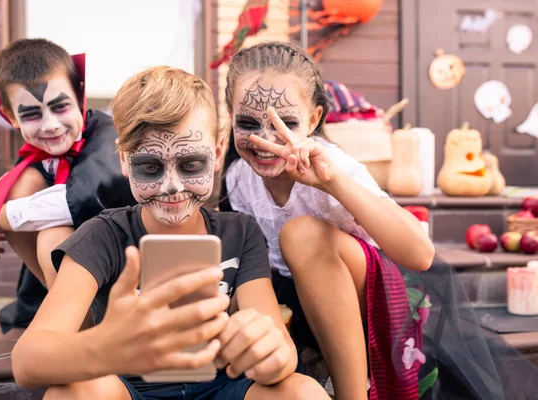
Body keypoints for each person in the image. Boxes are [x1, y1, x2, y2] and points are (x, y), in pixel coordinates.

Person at [221, 41, 538, 400]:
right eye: (248, 123)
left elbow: (421, 254)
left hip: (377, 296)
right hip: (301, 298)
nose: (266, 141)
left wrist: (332, 183)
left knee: (301, 234)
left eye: (286, 124)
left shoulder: (333, 166)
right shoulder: (236, 177)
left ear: (314, 120)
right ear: (229, 114)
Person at [11, 66, 329, 400]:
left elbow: (280, 356)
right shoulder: (102, 237)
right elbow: (28, 361)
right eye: (150, 167)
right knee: (73, 394)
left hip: (223, 387)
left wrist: (267, 353)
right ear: (123, 159)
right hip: (129, 390)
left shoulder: (240, 232)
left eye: (191, 164)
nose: (172, 187)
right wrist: (105, 349)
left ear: (217, 153)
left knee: (301, 392)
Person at [0, 39, 135, 319]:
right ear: (11, 117)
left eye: (60, 107)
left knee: (53, 240)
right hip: (63, 271)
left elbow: (85, 197)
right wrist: (3, 209)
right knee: (21, 183)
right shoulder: (35, 159)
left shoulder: (106, 135)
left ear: (79, 94)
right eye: (31, 114)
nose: (50, 125)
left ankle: (75, 322)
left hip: (126, 257)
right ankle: (59, 306)